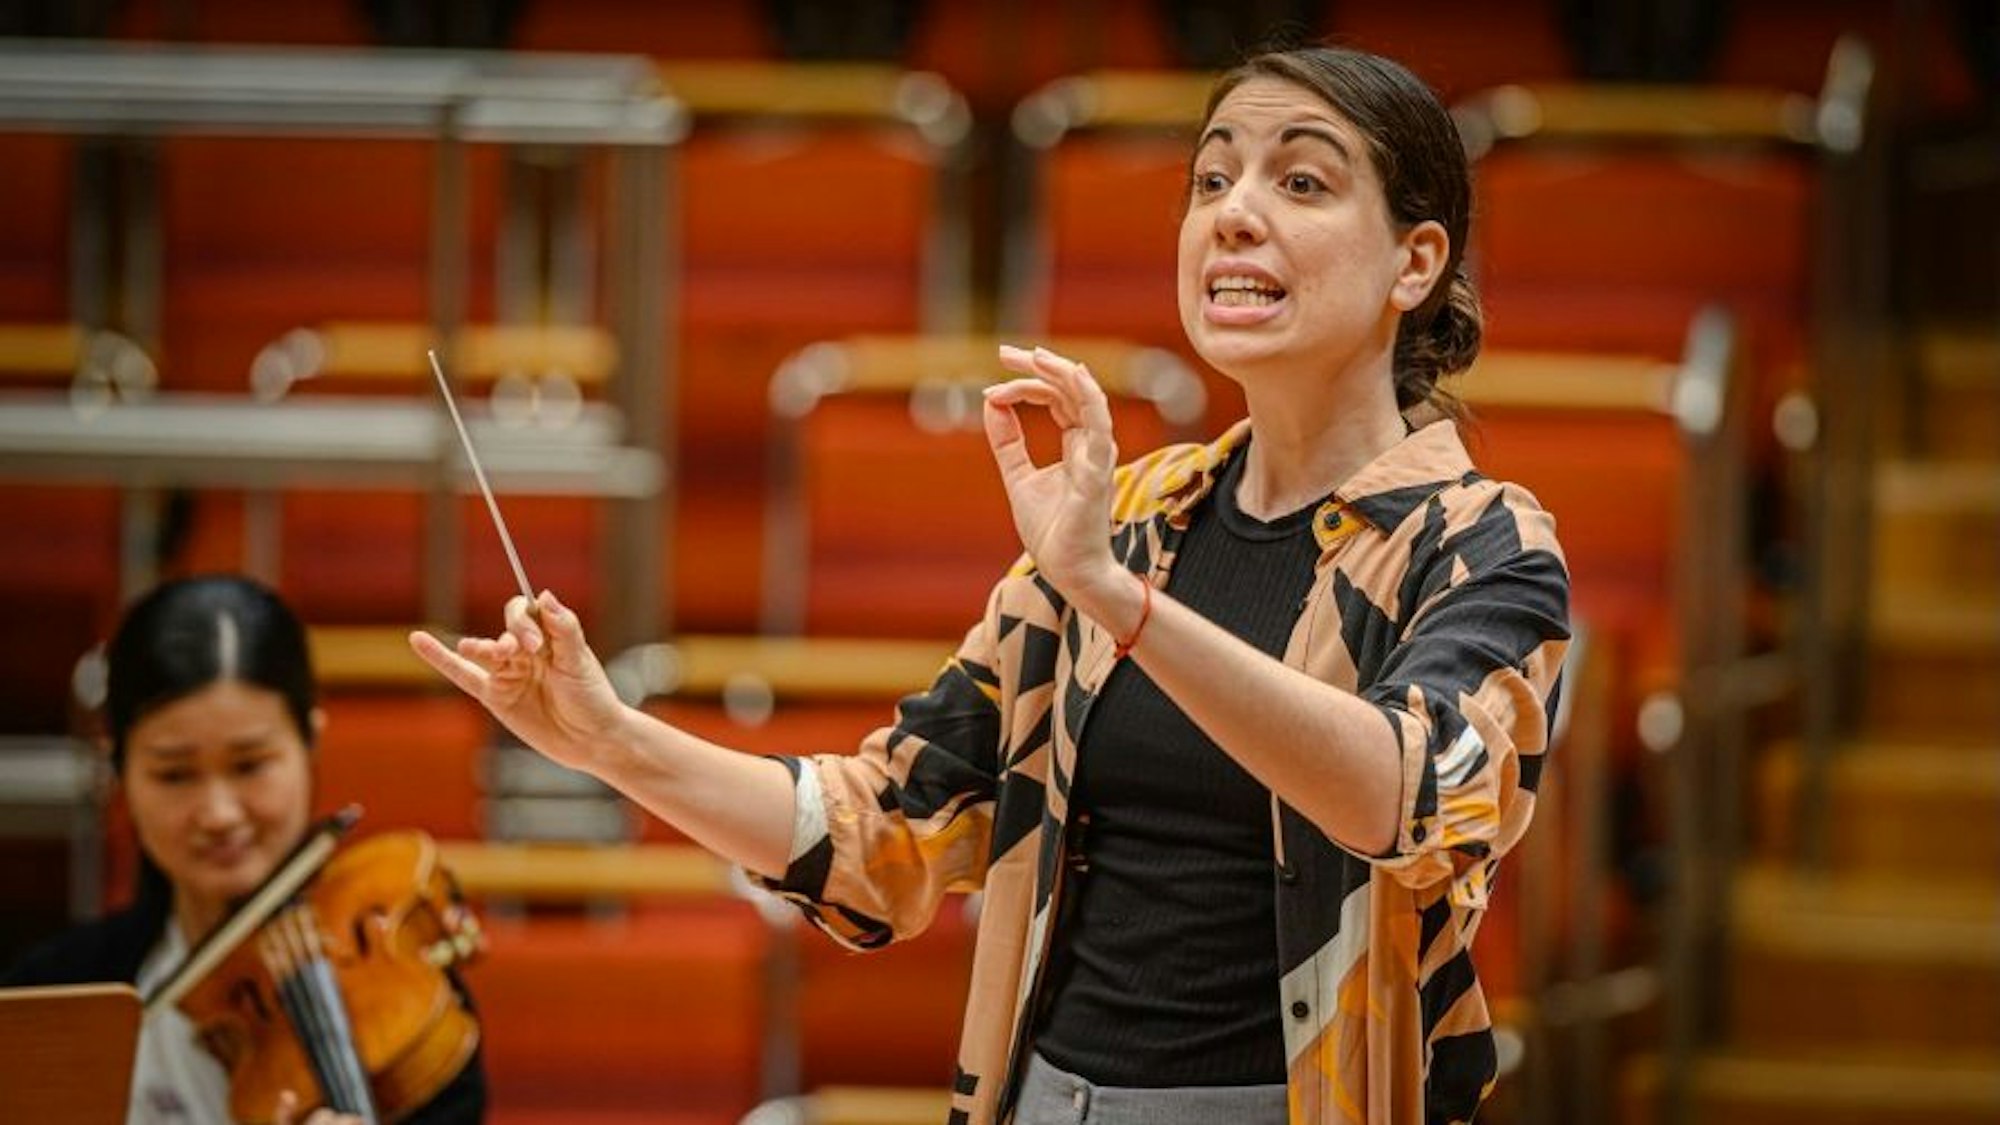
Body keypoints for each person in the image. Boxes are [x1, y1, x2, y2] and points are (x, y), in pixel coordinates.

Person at [412, 43, 1569, 1125]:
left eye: (1300, 184)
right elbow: (887, 831)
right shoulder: (1133, 519)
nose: (1234, 215)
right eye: (1210, 179)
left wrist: (1118, 605)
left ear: (1413, 263)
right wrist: (611, 742)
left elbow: (1404, 800)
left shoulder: (1480, 548)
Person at [5, 575, 487, 1125]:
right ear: (119, 770)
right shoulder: (63, 991)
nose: (219, 813)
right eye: (174, 774)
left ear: (311, 740)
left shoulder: (404, 1009)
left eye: (250, 765)